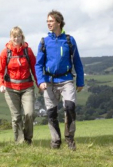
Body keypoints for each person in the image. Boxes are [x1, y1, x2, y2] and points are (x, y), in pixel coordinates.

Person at [35, 10, 84, 151]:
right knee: (51, 113)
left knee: (70, 107)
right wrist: (40, 81)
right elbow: (38, 64)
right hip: (49, 82)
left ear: (58, 22)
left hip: (66, 80)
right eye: (47, 21)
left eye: (51, 21)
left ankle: (70, 139)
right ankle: (56, 141)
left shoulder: (69, 40)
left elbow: (77, 62)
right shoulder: (44, 42)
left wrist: (80, 81)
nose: (48, 23)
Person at [0, 26, 38, 144]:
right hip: (10, 89)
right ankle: (20, 142)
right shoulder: (5, 52)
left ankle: (28, 138)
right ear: (10, 38)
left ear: (22, 37)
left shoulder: (27, 51)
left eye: (18, 36)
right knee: (16, 117)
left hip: (27, 88)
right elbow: (0, 71)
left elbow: (34, 69)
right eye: (14, 36)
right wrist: (1, 84)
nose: (16, 39)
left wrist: (39, 83)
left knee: (29, 114)